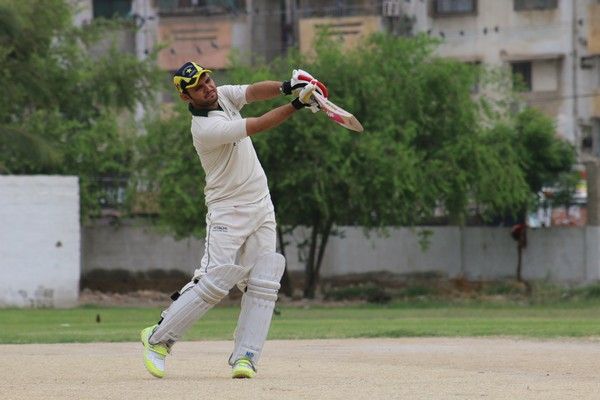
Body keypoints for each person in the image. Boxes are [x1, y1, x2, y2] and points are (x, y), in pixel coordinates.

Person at [140, 61, 327, 379]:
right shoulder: (205, 129)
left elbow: (253, 92)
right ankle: (158, 340)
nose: (208, 88)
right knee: (213, 282)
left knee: (263, 283)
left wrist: (288, 86)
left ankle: (246, 357)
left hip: (260, 204)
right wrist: (298, 104)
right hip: (227, 209)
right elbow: (257, 125)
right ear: (186, 97)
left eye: (208, 80)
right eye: (198, 87)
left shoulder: (222, 95)